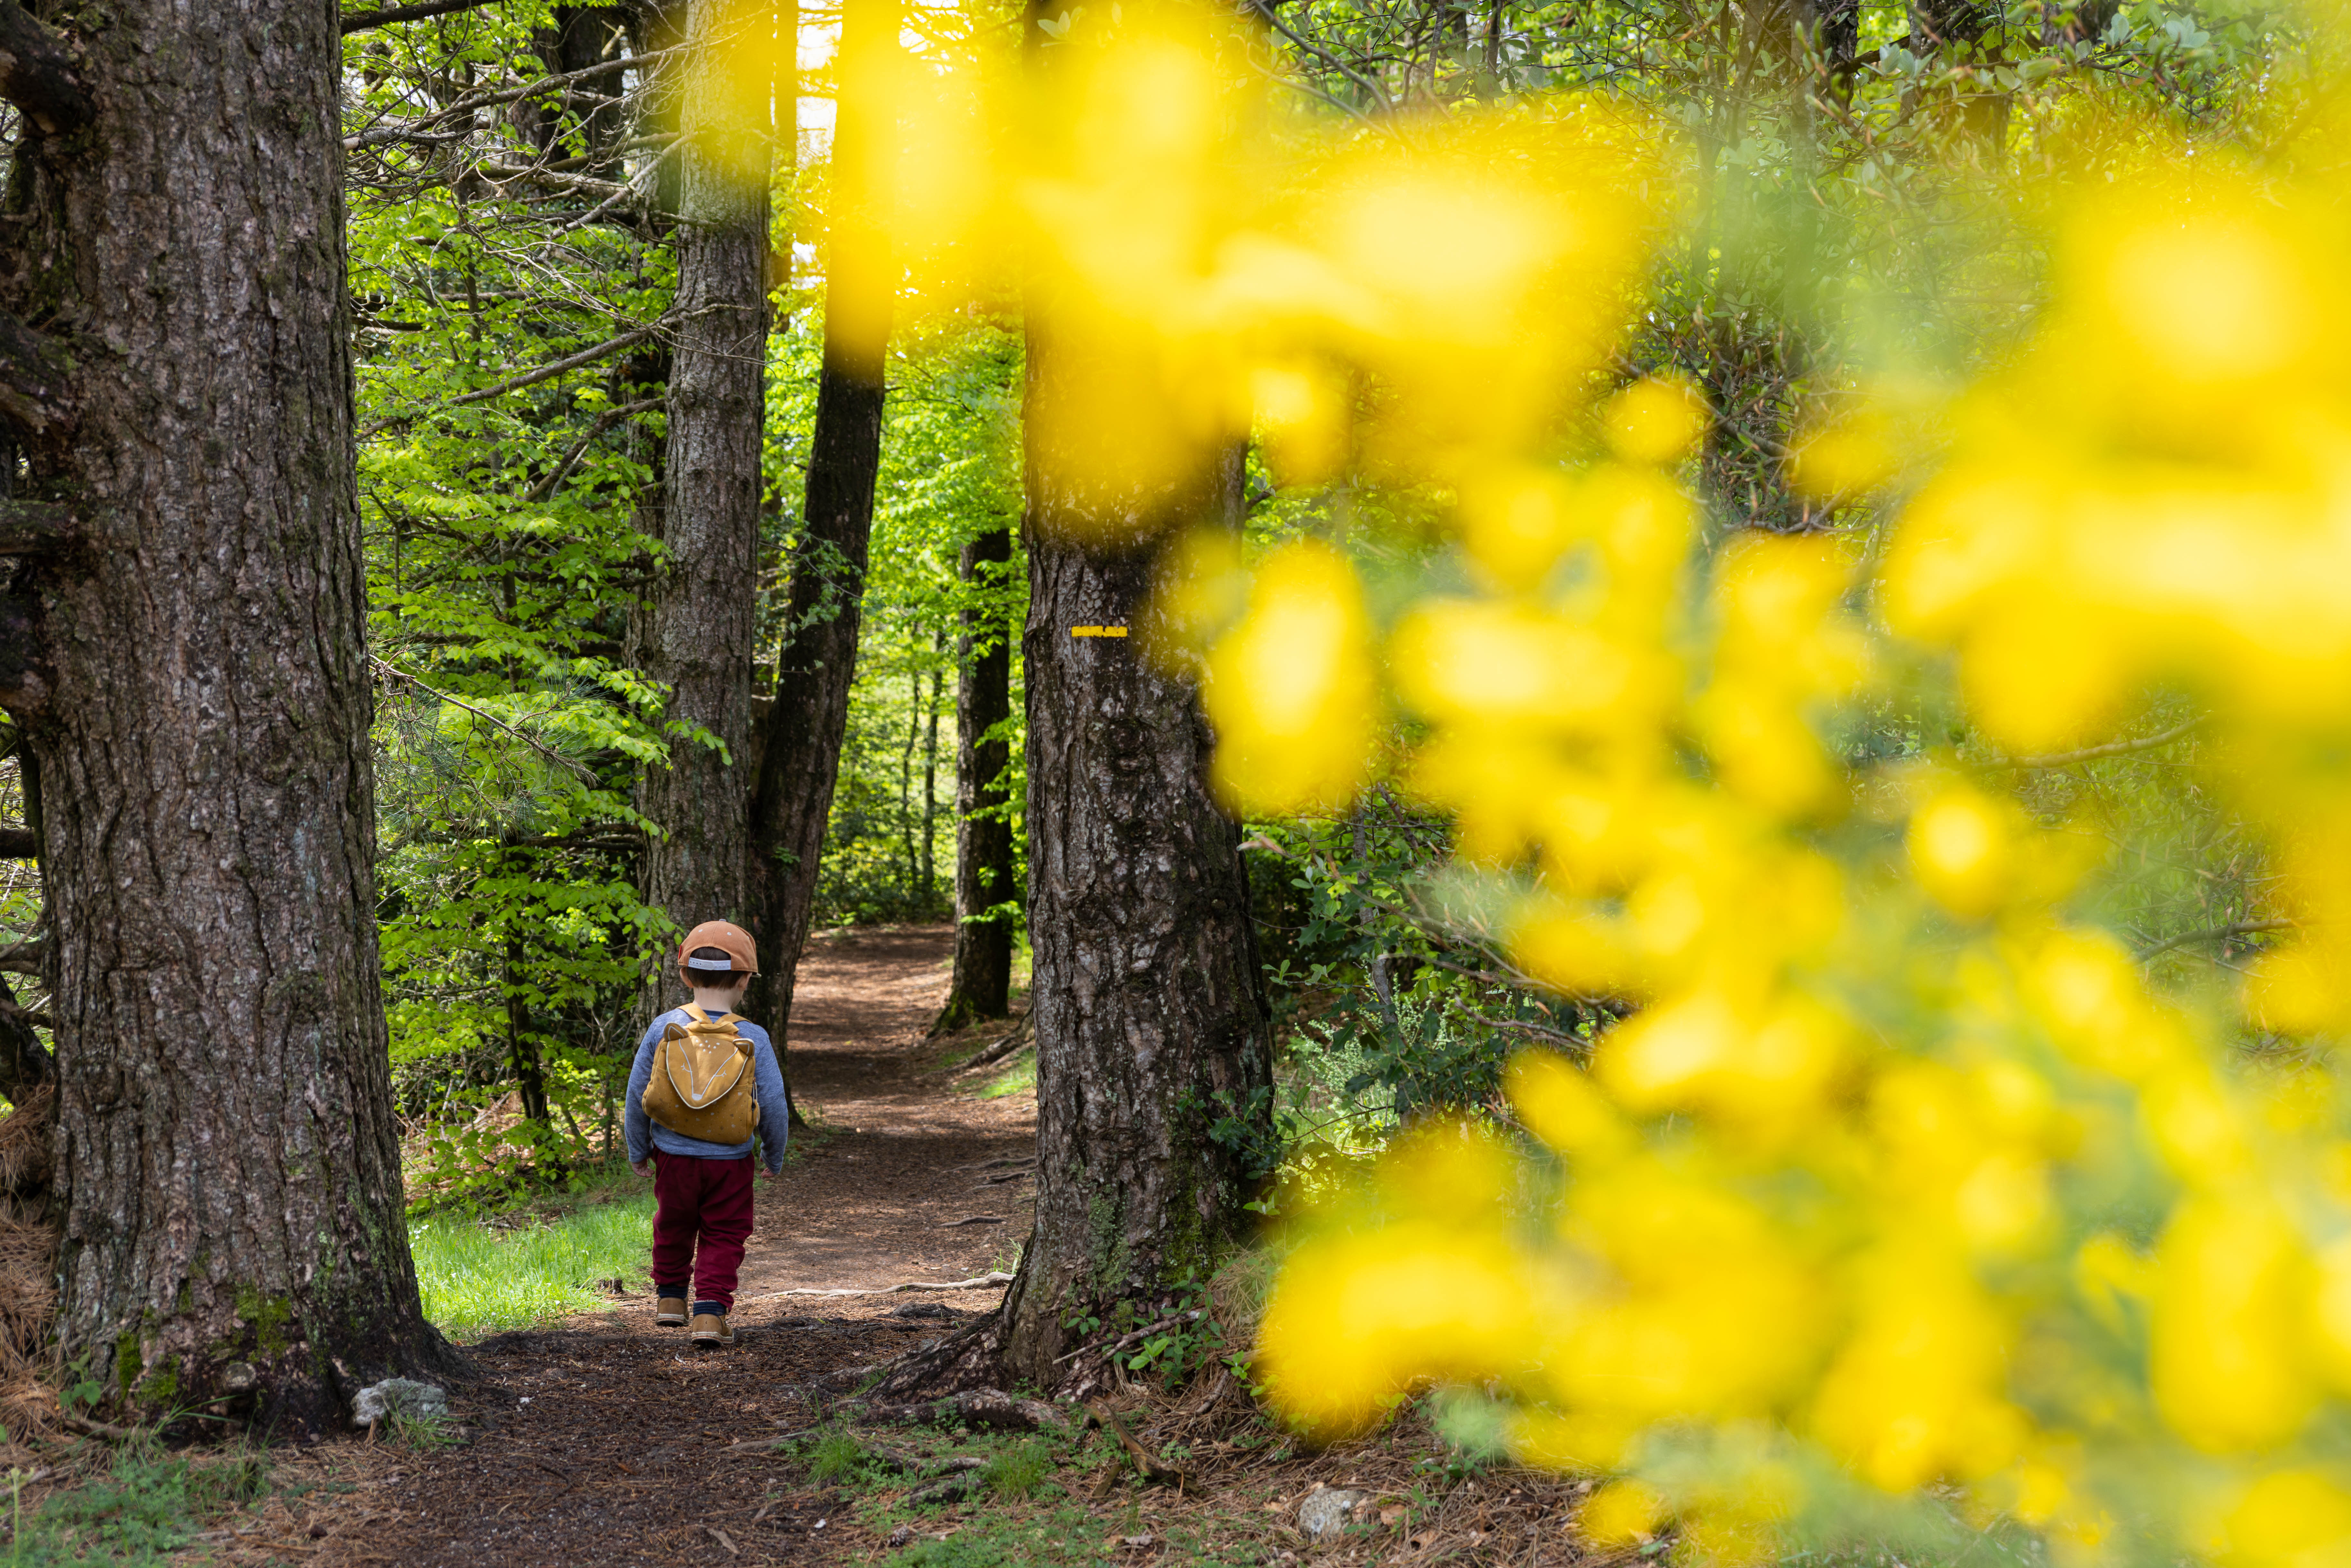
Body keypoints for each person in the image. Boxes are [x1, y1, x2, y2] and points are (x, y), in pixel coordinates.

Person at [625, 920, 791, 1348]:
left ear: (684, 975)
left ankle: (669, 1300)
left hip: (672, 1157)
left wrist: (637, 1149)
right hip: (732, 1162)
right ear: (745, 980)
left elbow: (638, 1093)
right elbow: (773, 1104)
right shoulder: (752, 1036)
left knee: (673, 1224)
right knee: (724, 1233)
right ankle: (709, 1315)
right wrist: (774, 1156)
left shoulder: (665, 1028)